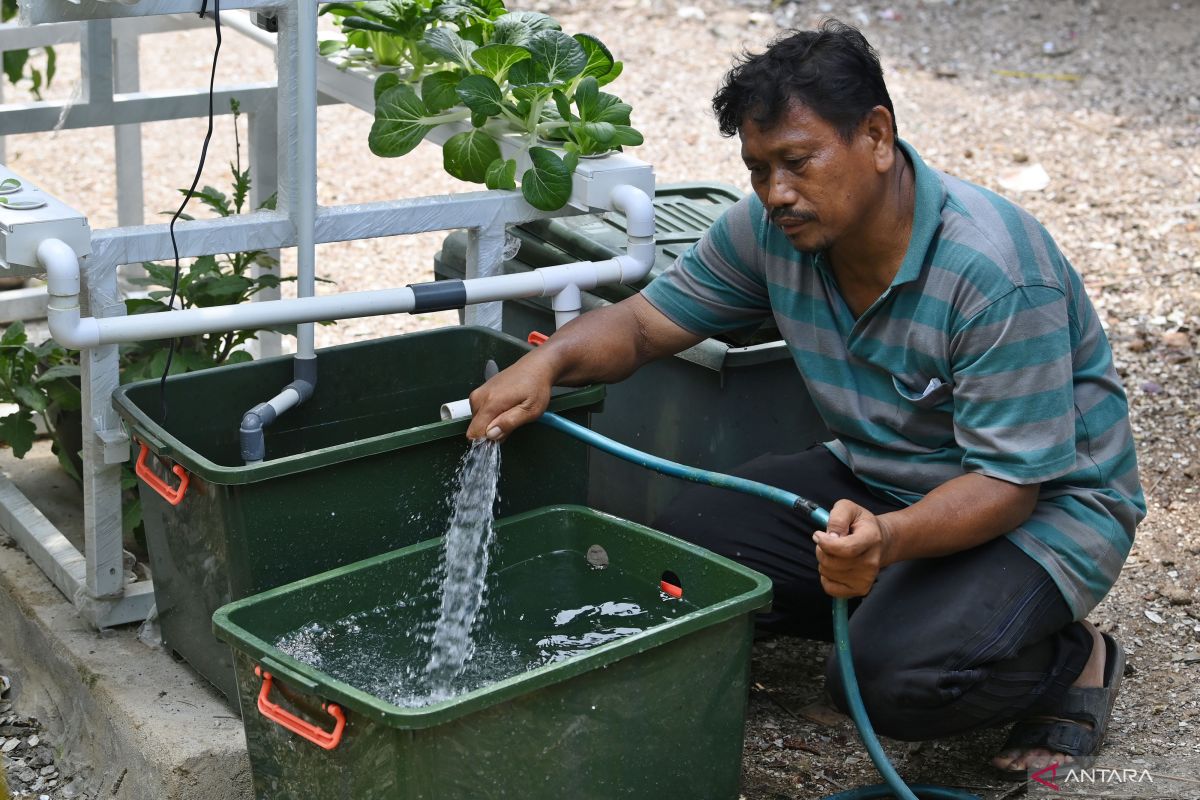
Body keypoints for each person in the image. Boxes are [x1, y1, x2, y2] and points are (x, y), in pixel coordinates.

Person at [466, 20, 1144, 775]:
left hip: (1040, 510)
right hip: (879, 478)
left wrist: (884, 541)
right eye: (758, 169)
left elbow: (1011, 485)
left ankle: (1071, 659)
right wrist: (549, 363)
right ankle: (904, 605)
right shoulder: (772, 231)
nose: (776, 192)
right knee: (688, 551)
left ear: (878, 137)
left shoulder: (992, 272)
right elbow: (644, 325)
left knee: (890, 686)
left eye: (797, 161)